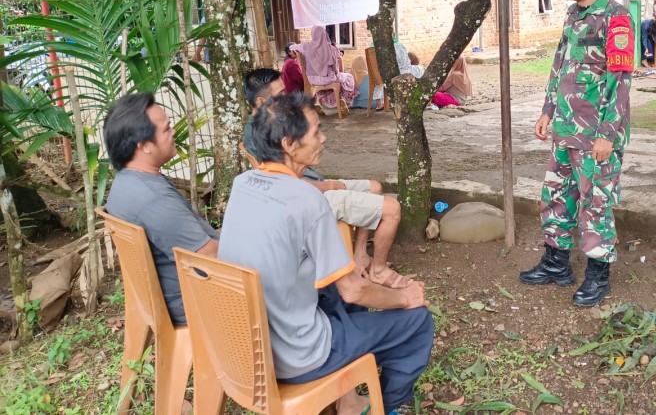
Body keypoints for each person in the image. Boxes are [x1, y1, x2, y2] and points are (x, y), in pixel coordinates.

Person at [220, 93, 434, 415]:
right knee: (417, 321)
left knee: (339, 293)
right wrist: (406, 296)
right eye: (317, 131)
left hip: (248, 351)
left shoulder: (242, 184)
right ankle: (386, 406)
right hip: (298, 357)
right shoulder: (308, 201)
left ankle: (347, 397)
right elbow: (354, 290)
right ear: (290, 144)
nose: (324, 137)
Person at [520, 0, 634, 307]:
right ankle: (556, 263)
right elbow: (560, 64)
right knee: (556, 195)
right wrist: (547, 111)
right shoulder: (573, 14)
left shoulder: (615, 17)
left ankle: (598, 275)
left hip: (595, 134)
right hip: (566, 128)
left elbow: (621, 82)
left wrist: (606, 134)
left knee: (595, 202)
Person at [243, 68, 410, 288]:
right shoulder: (262, 134)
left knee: (375, 187)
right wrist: (330, 185)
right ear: (262, 100)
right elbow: (289, 185)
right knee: (392, 208)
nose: (286, 97)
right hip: (310, 197)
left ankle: (359, 256)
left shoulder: (276, 122)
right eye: (280, 94)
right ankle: (378, 271)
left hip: (313, 187)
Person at [103, 94, 218, 326]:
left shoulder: (126, 182)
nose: (174, 131)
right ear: (143, 145)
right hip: (201, 301)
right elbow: (209, 258)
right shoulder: (154, 200)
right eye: (166, 129)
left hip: (178, 292)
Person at [301, 26, 359, 111]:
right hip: (328, 79)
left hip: (313, 80)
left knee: (333, 82)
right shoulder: (329, 48)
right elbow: (335, 69)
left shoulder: (308, 49)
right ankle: (342, 101)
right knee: (348, 77)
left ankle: (319, 102)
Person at [372, 39, 425, 109]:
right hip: (396, 75)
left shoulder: (372, 47)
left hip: (378, 75)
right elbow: (406, 65)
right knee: (421, 70)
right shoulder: (398, 46)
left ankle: (379, 104)